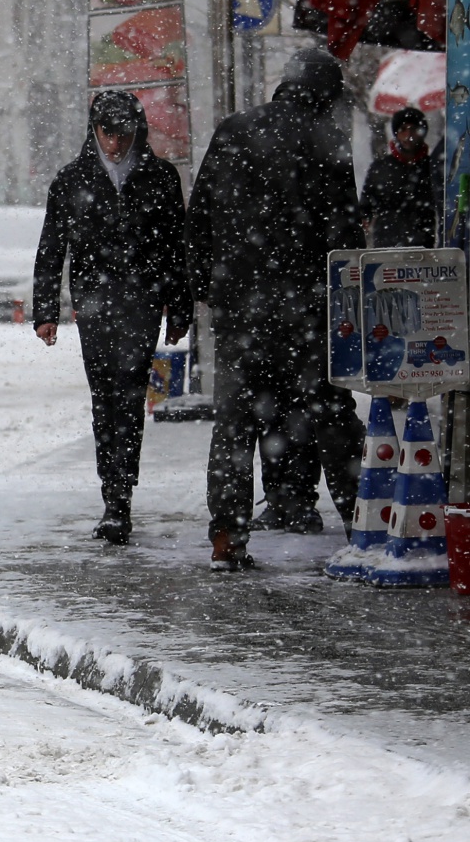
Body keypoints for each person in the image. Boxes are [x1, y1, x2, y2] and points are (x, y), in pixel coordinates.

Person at [187, 47, 365, 571]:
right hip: (307, 311)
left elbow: (198, 217)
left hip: (242, 311)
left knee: (235, 423)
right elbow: (345, 236)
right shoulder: (327, 141)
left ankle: (227, 537)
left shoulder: (234, 130)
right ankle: (363, 523)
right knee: (331, 415)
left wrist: (210, 289)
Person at [33, 91, 192, 544]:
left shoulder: (159, 178)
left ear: (136, 131)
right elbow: (51, 249)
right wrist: (46, 310)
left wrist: (178, 306)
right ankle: (113, 493)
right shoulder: (72, 179)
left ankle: (120, 497)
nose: (115, 144)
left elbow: (173, 248)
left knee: (128, 395)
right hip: (95, 303)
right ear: (95, 131)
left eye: (122, 134)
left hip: (141, 300)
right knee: (105, 397)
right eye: (108, 134)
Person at [360, 107, 439, 248]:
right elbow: (366, 204)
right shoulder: (380, 167)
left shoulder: (432, 167)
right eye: (403, 129)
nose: (408, 134)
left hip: (423, 246)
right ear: (396, 134)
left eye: (414, 129)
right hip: (386, 244)